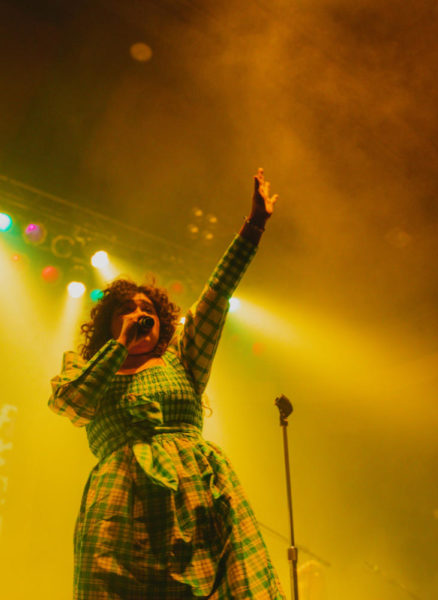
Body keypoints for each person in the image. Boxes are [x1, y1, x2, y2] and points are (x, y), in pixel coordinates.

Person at [49, 169, 284, 599]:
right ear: (110, 322)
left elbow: (216, 294)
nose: (143, 313)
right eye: (129, 308)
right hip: (121, 506)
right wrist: (119, 347)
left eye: (149, 308)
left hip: (196, 495)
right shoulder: (84, 367)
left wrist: (253, 227)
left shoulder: (182, 359)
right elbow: (71, 406)